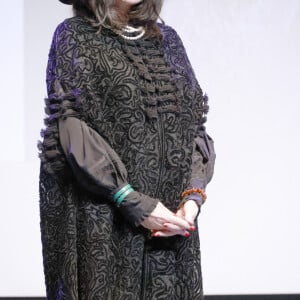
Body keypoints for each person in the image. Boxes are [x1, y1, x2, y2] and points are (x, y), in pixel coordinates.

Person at [38, 0, 216, 299]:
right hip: (107, 225)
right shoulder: (75, 35)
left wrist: (193, 197)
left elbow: (193, 128)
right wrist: (132, 202)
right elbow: (72, 130)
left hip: (171, 226)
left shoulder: (169, 39)